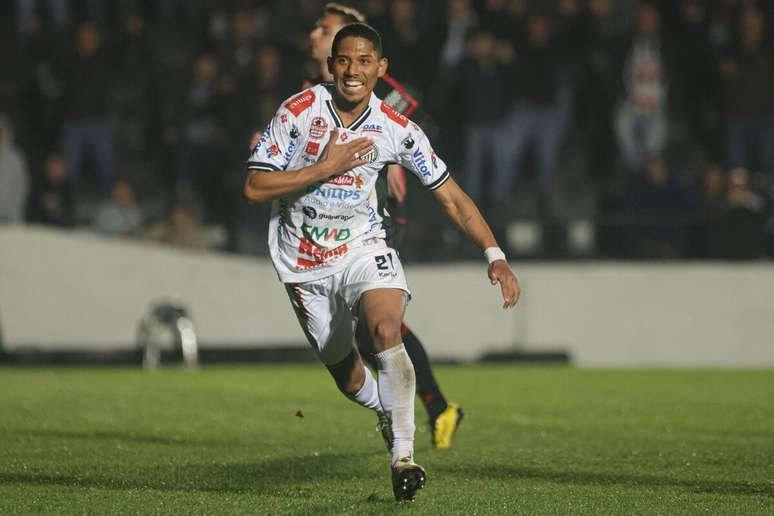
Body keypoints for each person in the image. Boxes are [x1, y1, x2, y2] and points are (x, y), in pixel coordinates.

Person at [243, 22, 520, 502]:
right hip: (303, 262)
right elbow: (254, 187)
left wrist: (494, 254)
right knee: (348, 377)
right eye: (344, 60)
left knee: (387, 331)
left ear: (380, 69)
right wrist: (325, 168)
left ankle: (404, 458)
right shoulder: (298, 112)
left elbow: (452, 198)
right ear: (331, 66)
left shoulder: (396, 129)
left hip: (363, 247)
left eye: (364, 61)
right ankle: (382, 408)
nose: (353, 71)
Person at [254, 3, 466, 449]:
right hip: (322, 227)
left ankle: (431, 408)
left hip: (373, 219)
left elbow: (412, 125)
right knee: (370, 334)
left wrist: (393, 166)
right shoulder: (308, 93)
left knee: (381, 328)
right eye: (318, 27)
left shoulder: (377, 88)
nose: (316, 33)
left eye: (325, 27)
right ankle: (425, 407)